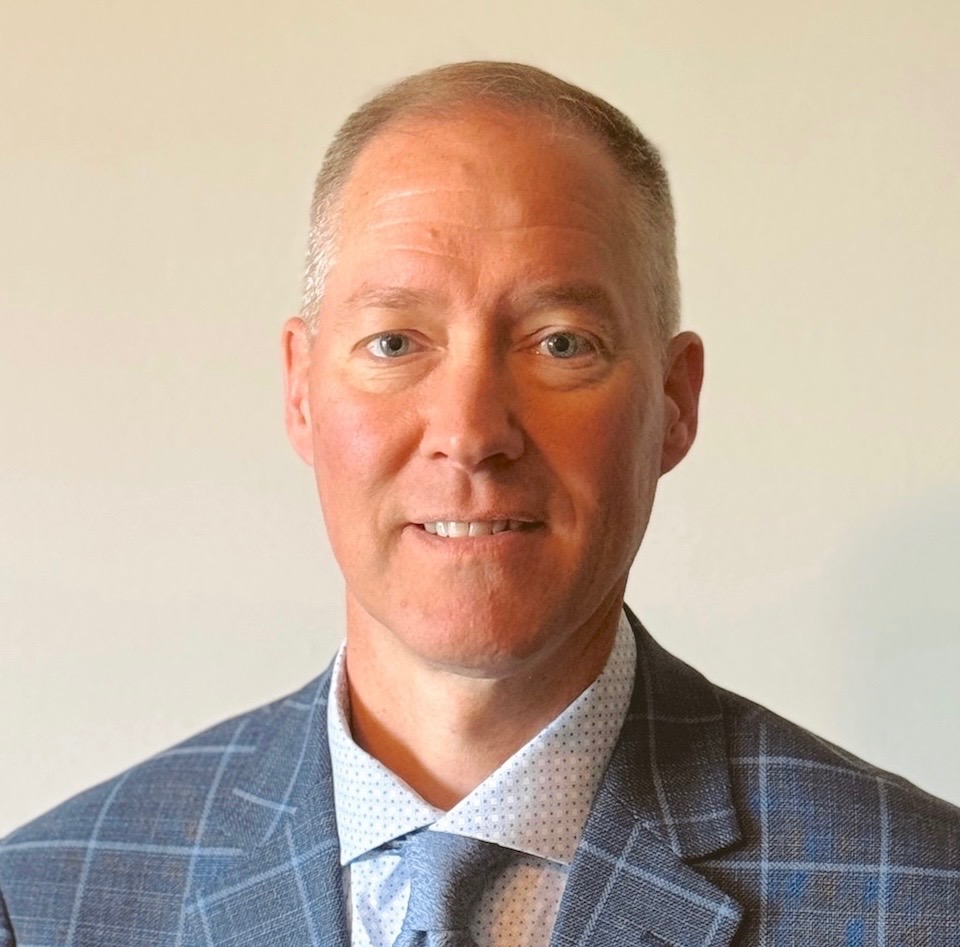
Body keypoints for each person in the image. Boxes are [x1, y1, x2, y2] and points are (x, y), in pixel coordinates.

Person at [1, 60, 958, 947]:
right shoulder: (42, 906)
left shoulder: (926, 901)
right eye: (394, 342)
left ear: (674, 403)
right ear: (300, 391)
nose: (470, 432)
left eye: (561, 342)